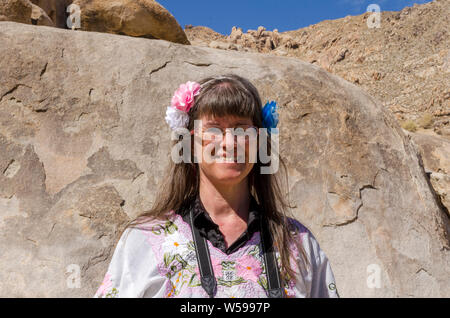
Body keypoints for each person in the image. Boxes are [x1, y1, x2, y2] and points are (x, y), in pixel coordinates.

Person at [93, 74, 339, 298]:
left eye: (242, 129)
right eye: (213, 129)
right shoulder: (146, 239)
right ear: (189, 144)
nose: (230, 142)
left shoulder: (298, 243)